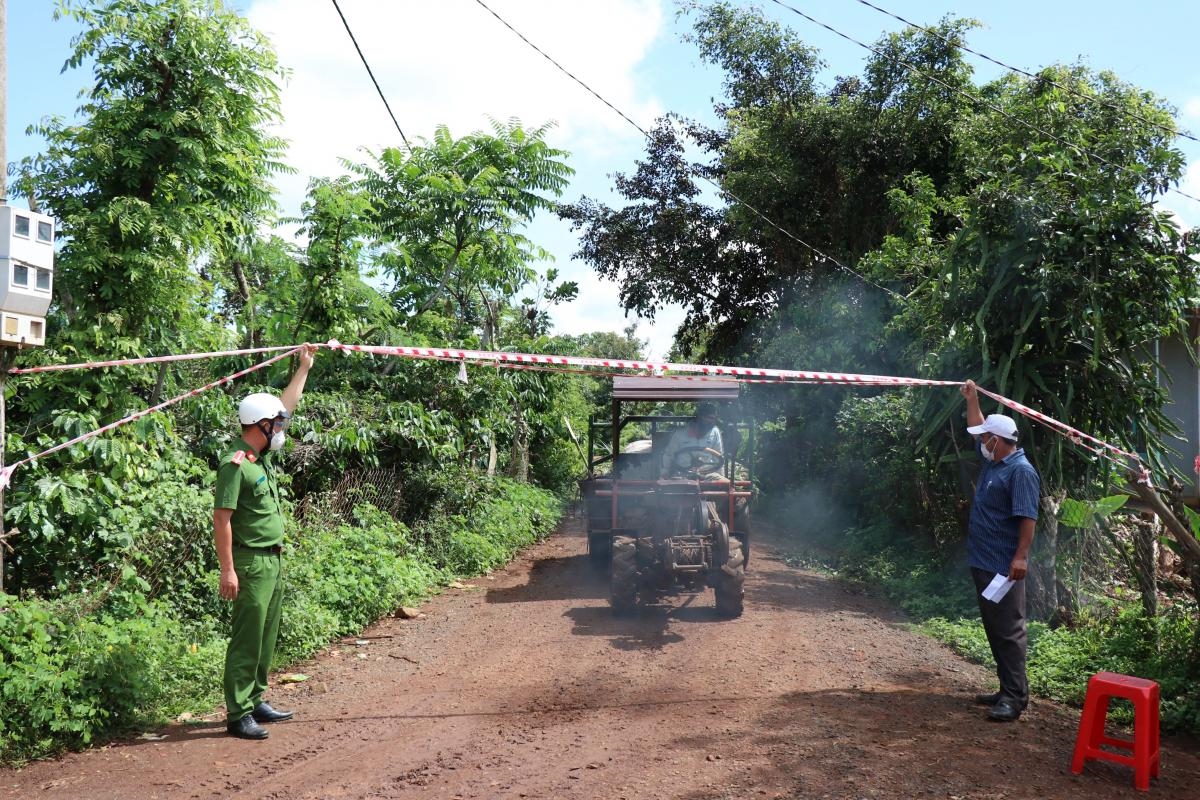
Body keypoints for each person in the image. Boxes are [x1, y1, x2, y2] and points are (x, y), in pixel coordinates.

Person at [214, 344, 316, 740]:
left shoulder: (260, 459)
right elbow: (222, 520)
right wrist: (228, 570)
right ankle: (238, 713)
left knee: (266, 635)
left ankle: (256, 700)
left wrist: (303, 369)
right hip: (250, 563)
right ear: (260, 426)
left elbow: (286, 406)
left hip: (273, 560)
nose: (281, 430)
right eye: (275, 424)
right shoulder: (235, 463)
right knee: (247, 638)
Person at [960, 379, 1041, 722]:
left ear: (998, 441)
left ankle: (1014, 698)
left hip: (1004, 566)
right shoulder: (996, 462)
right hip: (984, 561)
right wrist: (972, 398)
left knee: (1009, 630)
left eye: (985, 439)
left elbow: (1027, 518)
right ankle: (1006, 687)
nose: (981, 443)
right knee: (995, 628)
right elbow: (976, 426)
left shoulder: (1020, 471)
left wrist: (1020, 557)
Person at [660, 402, 724, 478]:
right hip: (682, 474)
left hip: (707, 474)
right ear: (699, 418)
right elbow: (669, 455)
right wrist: (665, 473)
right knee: (674, 485)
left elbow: (718, 455)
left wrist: (721, 477)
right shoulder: (680, 434)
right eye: (709, 418)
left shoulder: (714, 431)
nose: (712, 422)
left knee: (718, 481)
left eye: (713, 419)